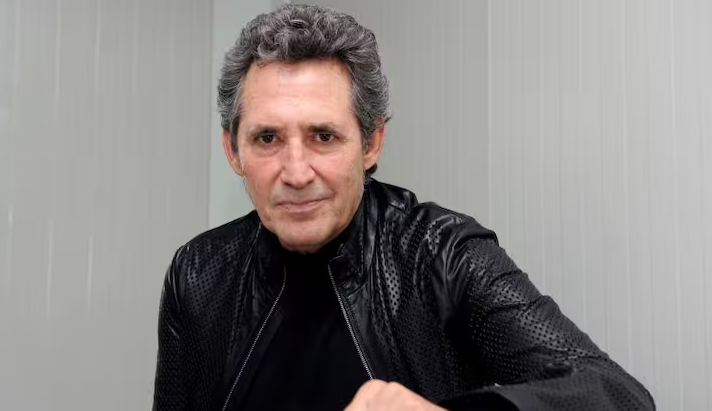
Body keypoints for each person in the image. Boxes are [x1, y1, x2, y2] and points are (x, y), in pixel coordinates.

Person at [152, 4, 655, 410]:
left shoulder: (443, 255)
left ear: (371, 143)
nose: (297, 173)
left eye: (324, 136)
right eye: (267, 138)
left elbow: (618, 395)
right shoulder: (197, 273)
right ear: (233, 150)